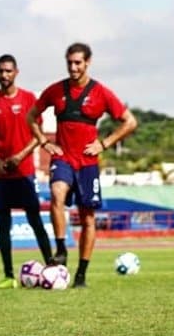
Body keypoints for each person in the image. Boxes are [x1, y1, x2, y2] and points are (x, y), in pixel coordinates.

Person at [26, 42, 137, 288]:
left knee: (88, 218)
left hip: (87, 163)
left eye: (78, 63)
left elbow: (129, 122)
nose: (73, 67)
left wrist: (104, 143)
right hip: (63, 158)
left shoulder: (101, 93)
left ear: (88, 62)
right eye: (70, 63)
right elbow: (31, 116)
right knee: (56, 193)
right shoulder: (55, 91)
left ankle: (81, 274)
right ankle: (62, 248)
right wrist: (44, 142)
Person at [0, 54, 54, 288]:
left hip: (24, 172)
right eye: (0, 71)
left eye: (8, 71)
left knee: (35, 220)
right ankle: (8, 275)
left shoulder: (30, 99)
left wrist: (21, 155)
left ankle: (51, 267)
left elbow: (38, 134)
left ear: (16, 72)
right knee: (3, 225)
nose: (4, 75)